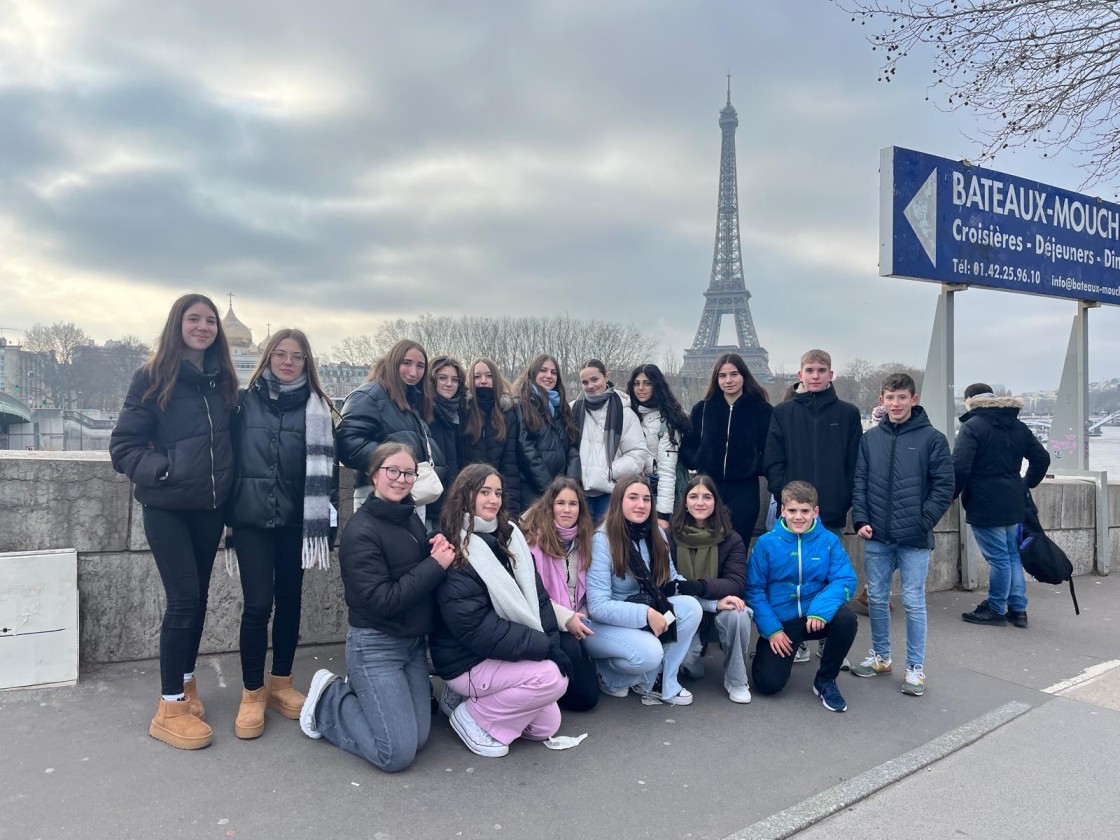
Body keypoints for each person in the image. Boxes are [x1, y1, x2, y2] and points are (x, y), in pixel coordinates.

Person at [109, 293, 237, 750]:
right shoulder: (152, 375)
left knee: (198, 598)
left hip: (209, 508)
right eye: (194, 319)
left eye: (210, 321)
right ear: (177, 324)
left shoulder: (222, 380)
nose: (203, 327)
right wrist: (163, 470)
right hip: (166, 507)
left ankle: (185, 683)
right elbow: (123, 446)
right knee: (183, 600)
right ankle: (168, 707)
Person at [298, 443, 456, 772]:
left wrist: (435, 543)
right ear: (373, 475)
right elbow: (383, 600)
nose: (400, 479)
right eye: (392, 471)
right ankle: (330, 700)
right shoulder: (360, 532)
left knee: (419, 739)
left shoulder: (407, 515)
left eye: (408, 473)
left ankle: (365, 695)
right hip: (376, 645)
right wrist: (435, 566)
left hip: (411, 643)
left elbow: (410, 565)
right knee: (395, 755)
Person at [225, 329, 337, 739]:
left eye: (297, 357)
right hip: (252, 518)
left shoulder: (319, 408)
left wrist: (325, 526)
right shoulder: (243, 403)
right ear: (268, 358)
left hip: (296, 521)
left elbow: (331, 473)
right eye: (281, 354)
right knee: (257, 605)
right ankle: (252, 692)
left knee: (291, 602)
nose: (288, 362)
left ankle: (281, 683)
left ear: (307, 364)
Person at [429, 464, 571, 758]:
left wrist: (552, 644)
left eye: (497, 493)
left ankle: (470, 702)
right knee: (550, 679)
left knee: (548, 725)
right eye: (484, 493)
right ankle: (472, 718)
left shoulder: (510, 539)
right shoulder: (455, 548)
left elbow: (540, 600)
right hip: (467, 659)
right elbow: (477, 628)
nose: (493, 500)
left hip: (499, 654)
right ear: (465, 496)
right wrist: (543, 649)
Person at [851, 373, 954, 697]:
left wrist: (922, 522)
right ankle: (881, 657)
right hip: (878, 534)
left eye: (901, 397)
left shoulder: (933, 439)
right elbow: (861, 482)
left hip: (914, 538)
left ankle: (915, 668)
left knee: (913, 601)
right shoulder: (870, 440)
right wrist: (861, 520)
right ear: (882, 400)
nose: (895, 404)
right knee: (878, 599)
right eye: (890, 398)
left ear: (914, 399)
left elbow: (944, 486)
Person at [762, 349, 862, 662]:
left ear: (831, 375)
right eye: (810, 370)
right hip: (792, 511)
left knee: (828, 578)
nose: (815, 375)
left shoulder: (847, 414)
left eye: (821, 370)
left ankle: (827, 639)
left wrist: (844, 498)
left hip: (830, 510)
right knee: (791, 578)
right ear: (800, 375)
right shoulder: (783, 412)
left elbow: (854, 463)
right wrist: (783, 495)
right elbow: (773, 460)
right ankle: (798, 635)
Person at [583, 475, 702, 705]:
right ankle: (609, 675)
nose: (641, 505)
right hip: (606, 625)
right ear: (619, 501)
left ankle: (663, 682)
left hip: (645, 613)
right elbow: (597, 606)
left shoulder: (656, 534)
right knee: (650, 653)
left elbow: (673, 581)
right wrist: (646, 615)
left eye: (647, 499)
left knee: (691, 607)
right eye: (633, 498)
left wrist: (713, 602)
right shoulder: (603, 539)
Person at [745, 481, 858, 712]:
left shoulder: (828, 541)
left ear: (815, 512)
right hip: (783, 622)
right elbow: (753, 590)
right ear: (782, 510)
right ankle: (773, 649)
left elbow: (845, 580)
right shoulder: (766, 543)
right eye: (793, 510)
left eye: (805, 511)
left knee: (847, 620)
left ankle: (826, 679)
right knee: (767, 684)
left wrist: (820, 611)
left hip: (815, 617)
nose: (799, 517)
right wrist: (772, 630)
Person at [953, 383, 1050, 628]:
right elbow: (1042, 458)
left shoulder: (972, 427)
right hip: (1014, 503)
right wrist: (1026, 484)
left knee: (998, 559)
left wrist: (949, 495)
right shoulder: (1017, 425)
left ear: (970, 401)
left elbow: (960, 467)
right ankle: (1018, 609)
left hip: (985, 502)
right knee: (1011, 555)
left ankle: (996, 608)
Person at [668, 475, 753, 704]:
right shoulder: (670, 537)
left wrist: (700, 586)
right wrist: (709, 599)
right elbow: (667, 585)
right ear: (685, 502)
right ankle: (692, 657)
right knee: (691, 669)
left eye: (707, 497)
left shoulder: (731, 539)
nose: (700, 503)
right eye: (693, 496)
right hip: (684, 612)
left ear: (716, 502)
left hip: (718, 612)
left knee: (739, 614)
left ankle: (736, 679)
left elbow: (736, 583)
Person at [521, 477, 601, 711]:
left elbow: (584, 592)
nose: (567, 509)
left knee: (587, 700)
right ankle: (544, 689)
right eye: (561, 503)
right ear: (550, 506)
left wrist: (580, 617)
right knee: (571, 649)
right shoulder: (533, 542)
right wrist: (567, 618)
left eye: (573, 504)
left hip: (576, 620)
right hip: (544, 620)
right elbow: (533, 595)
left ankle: (562, 684)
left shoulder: (583, 541)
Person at [337, 339, 444, 513]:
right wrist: (395, 464)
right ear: (393, 362)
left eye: (420, 366)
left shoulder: (412, 400)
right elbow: (347, 443)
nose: (413, 372)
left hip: (409, 491)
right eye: (407, 363)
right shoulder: (370, 395)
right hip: (378, 493)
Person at [681, 353, 773, 544]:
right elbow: (687, 446)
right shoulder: (702, 409)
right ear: (716, 379)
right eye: (722, 376)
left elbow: (771, 449)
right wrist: (701, 459)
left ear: (744, 376)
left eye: (734, 374)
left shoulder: (762, 410)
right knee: (706, 545)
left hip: (744, 488)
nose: (728, 380)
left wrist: (753, 466)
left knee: (738, 545)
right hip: (708, 486)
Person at [572, 359, 646, 521]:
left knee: (607, 542)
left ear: (606, 377)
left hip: (610, 492)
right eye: (585, 382)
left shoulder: (625, 414)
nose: (590, 386)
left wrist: (610, 471)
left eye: (595, 379)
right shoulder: (573, 409)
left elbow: (637, 454)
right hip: (578, 491)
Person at [513, 353, 581, 508]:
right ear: (533, 373)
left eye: (553, 372)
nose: (548, 376)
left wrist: (570, 485)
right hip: (534, 491)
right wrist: (550, 490)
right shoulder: (522, 405)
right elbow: (527, 451)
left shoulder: (561, 407)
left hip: (563, 491)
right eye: (543, 371)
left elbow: (572, 447)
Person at [627, 364, 690, 530]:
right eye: (636, 383)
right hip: (636, 491)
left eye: (647, 383)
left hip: (660, 494)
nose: (640, 388)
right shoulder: (630, 415)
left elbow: (668, 472)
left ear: (657, 386)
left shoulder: (667, 421)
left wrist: (663, 515)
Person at [461, 357, 523, 516]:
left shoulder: (507, 413)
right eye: (477, 377)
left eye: (488, 376)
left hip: (496, 497)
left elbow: (510, 464)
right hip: (467, 496)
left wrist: (512, 511)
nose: (483, 381)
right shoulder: (462, 411)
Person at [426, 355, 466, 527]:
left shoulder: (459, 412)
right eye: (443, 378)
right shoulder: (424, 412)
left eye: (454, 379)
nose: (449, 384)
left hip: (452, 502)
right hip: (429, 503)